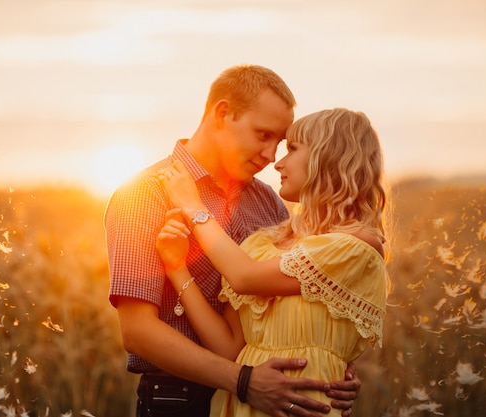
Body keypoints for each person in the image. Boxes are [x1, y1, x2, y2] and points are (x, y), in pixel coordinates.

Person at [104, 65, 361, 417]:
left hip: (269, 398)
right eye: (262, 135)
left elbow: (299, 297)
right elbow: (137, 332)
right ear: (223, 113)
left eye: (280, 143)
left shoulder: (269, 202)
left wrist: (333, 367)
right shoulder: (144, 193)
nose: (272, 156)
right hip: (179, 399)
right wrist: (243, 380)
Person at [156, 107, 388, 417]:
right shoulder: (263, 244)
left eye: (292, 148)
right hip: (242, 407)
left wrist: (191, 205)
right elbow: (230, 350)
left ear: (328, 158)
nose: (277, 162)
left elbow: (243, 277)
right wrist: (176, 267)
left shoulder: (355, 247)